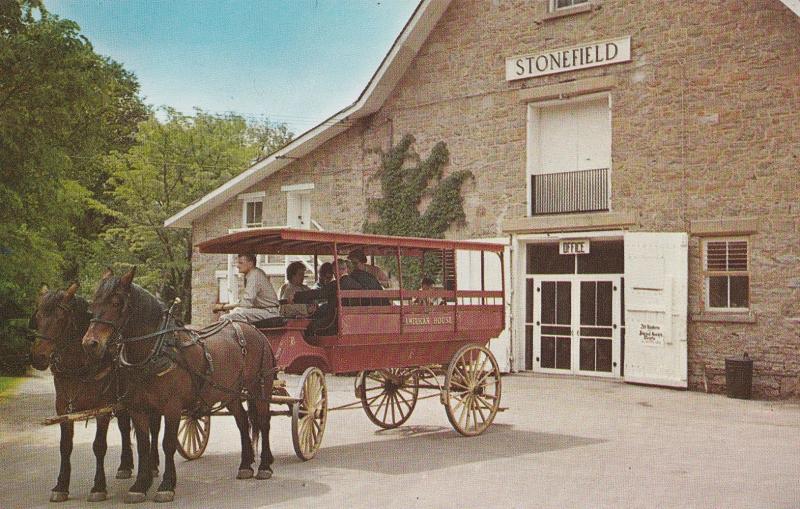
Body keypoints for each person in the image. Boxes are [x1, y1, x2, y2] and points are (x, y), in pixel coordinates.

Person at [293, 259, 363, 339]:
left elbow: (318, 293)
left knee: (311, 326)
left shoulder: (336, 285)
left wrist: (296, 296)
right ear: (346, 269)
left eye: (334, 272)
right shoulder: (358, 285)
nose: (334, 275)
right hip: (354, 323)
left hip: (335, 323)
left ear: (336, 271)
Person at [213, 254, 280, 323]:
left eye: (241, 263)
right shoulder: (253, 274)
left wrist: (223, 307)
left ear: (250, 264)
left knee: (225, 317)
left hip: (269, 313)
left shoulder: (254, 276)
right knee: (237, 312)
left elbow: (246, 303)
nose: (237, 266)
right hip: (264, 311)